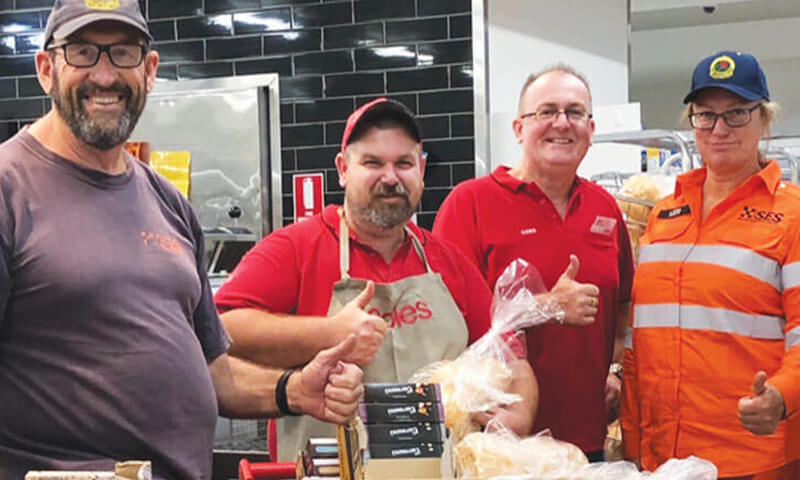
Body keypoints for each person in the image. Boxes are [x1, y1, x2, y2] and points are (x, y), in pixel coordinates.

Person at [0, 1, 362, 478]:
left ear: (149, 70)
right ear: (46, 69)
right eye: (84, 52)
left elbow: (213, 371)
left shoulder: (166, 201)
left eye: (123, 54)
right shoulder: (9, 188)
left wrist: (292, 390)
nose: (105, 75)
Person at [215, 98, 539, 461]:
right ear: (342, 169)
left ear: (421, 169)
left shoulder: (447, 261)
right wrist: (328, 334)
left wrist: (518, 414)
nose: (390, 178)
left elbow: (510, 355)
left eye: (404, 163)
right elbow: (220, 330)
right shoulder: (292, 250)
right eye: (372, 162)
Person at [432, 65, 634, 461]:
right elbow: (445, 325)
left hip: (585, 444)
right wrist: (546, 308)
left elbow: (623, 306)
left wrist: (616, 373)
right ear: (519, 128)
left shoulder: (605, 207)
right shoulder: (469, 203)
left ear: (590, 130)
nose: (562, 123)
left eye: (575, 112)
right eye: (546, 111)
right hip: (498, 446)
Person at [620, 50, 799, 479]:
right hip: (662, 460)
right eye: (706, 115)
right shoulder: (663, 215)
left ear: (764, 119)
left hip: (751, 460)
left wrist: (780, 396)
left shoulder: (792, 216)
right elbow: (637, 343)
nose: (720, 129)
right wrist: (630, 441)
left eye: (736, 113)